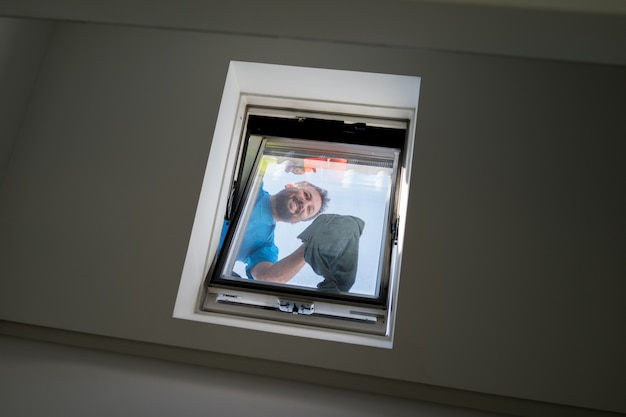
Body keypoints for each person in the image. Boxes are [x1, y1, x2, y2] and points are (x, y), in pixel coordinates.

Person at [236, 181, 329, 283]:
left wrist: (311, 245)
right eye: (306, 195)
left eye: (309, 209)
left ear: (296, 221)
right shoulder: (253, 183)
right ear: (290, 185)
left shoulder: (264, 247)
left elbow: (267, 278)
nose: (304, 204)